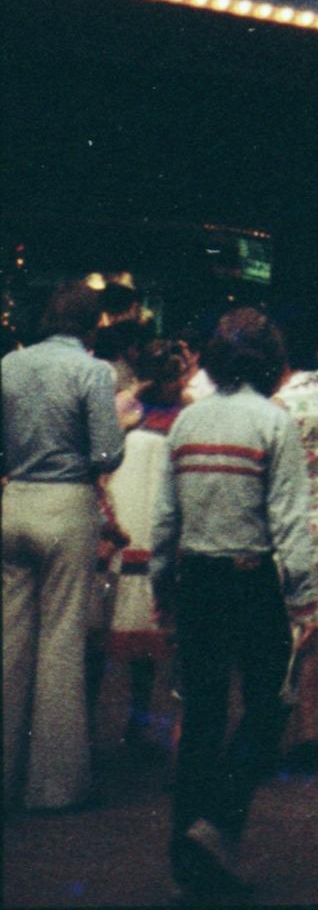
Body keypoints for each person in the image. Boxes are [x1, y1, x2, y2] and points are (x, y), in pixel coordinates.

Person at [150, 308, 315, 899]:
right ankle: (218, 820)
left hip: (196, 579)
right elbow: (291, 520)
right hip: (253, 582)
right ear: (271, 361)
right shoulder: (276, 423)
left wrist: (161, 587)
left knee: (200, 716)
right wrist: (304, 595)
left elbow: (165, 517)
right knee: (270, 705)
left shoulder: (188, 422)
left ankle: (188, 865)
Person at [2, 278, 126, 811]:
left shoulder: (8, 366)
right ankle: (53, 786)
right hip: (66, 506)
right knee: (60, 646)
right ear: (92, 321)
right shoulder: (93, 371)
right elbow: (107, 454)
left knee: (9, 644)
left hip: (13, 503)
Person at [102, 340, 188, 759]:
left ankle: (121, 726)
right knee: (149, 644)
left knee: (107, 636)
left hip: (124, 524)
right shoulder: (182, 418)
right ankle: (137, 724)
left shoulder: (123, 412)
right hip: (153, 527)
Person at [273, 313, 318, 772]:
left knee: (273, 631)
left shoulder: (274, 406)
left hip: (281, 521)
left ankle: (268, 729)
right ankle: (308, 732)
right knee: (311, 630)